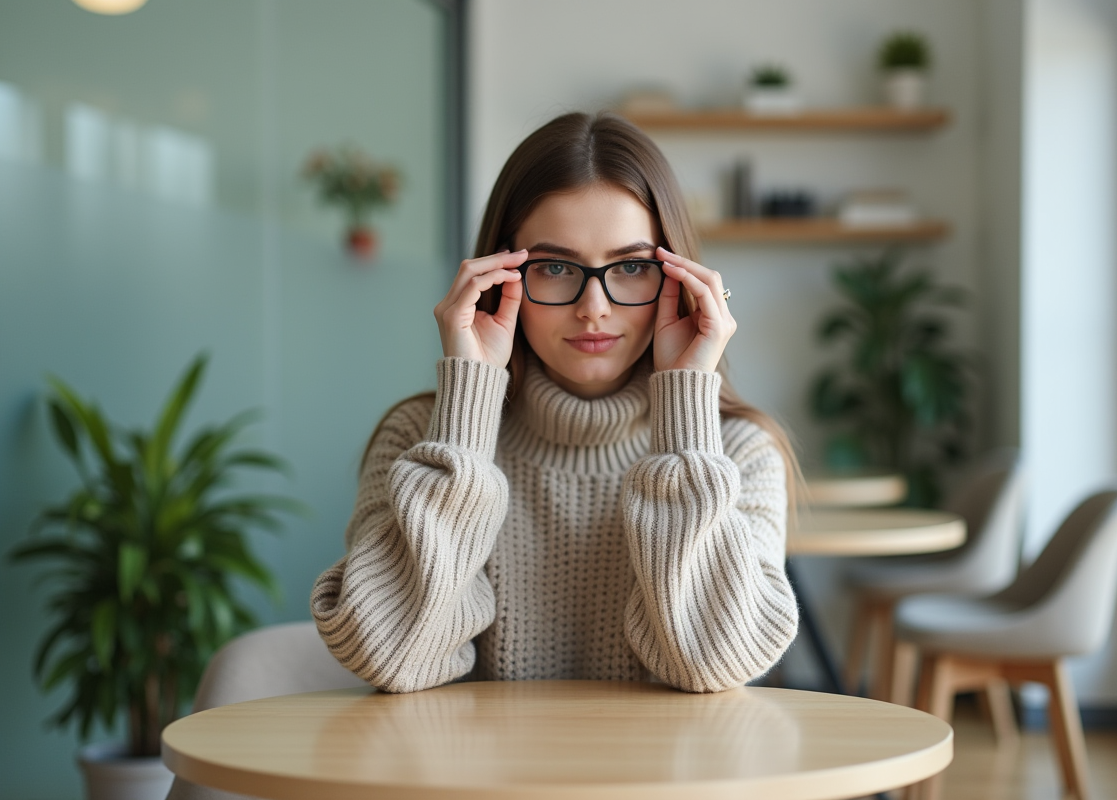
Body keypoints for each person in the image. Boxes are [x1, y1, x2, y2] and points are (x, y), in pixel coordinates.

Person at [311, 111, 799, 694]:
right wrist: (468, 409)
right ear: (498, 274)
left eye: (633, 267)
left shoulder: (739, 452)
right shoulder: (420, 438)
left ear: (681, 280)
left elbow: (715, 665)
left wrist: (688, 419)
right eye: (556, 267)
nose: (593, 307)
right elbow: (387, 656)